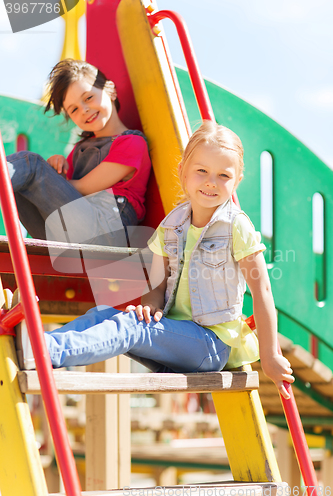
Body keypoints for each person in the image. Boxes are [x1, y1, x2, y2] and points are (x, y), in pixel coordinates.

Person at [15, 121, 294, 399]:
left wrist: (270, 356)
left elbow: (262, 291)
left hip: (210, 345)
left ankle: (43, 351)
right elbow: (157, 283)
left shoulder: (235, 226)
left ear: (236, 182)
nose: (211, 181)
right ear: (183, 171)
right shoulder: (172, 224)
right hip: (174, 341)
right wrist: (150, 306)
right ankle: (40, 344)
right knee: (105, 314)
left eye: (223, 175)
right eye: (201, 171)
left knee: (132, 328)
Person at [6, 59, 151, 245]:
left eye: (89, 97)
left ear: (110, 91)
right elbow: (63, 196)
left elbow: (83, 188)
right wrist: (55, 172)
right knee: (19, 184)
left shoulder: (132, 143)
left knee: (30, 164)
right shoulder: (81, 149)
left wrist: (43, 176)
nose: (84, 110)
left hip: (105, 233)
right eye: (74, 109)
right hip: (70, 233)